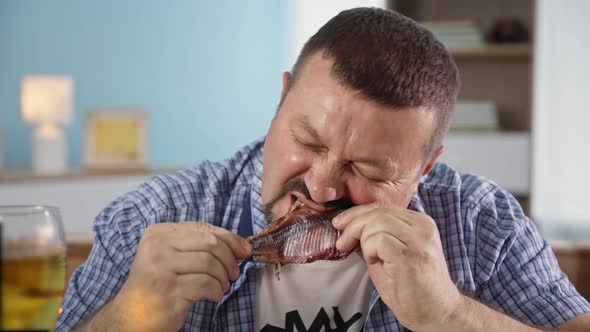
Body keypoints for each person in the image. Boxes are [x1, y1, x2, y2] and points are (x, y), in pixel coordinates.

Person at [57, 7, 590, 332]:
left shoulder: (481, 223)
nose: (321, 185)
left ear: (426, 167)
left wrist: (451, 317)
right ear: (282, 98)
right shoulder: (156, 216)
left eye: (370, 170)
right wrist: (132, 315)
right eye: (307, 141)